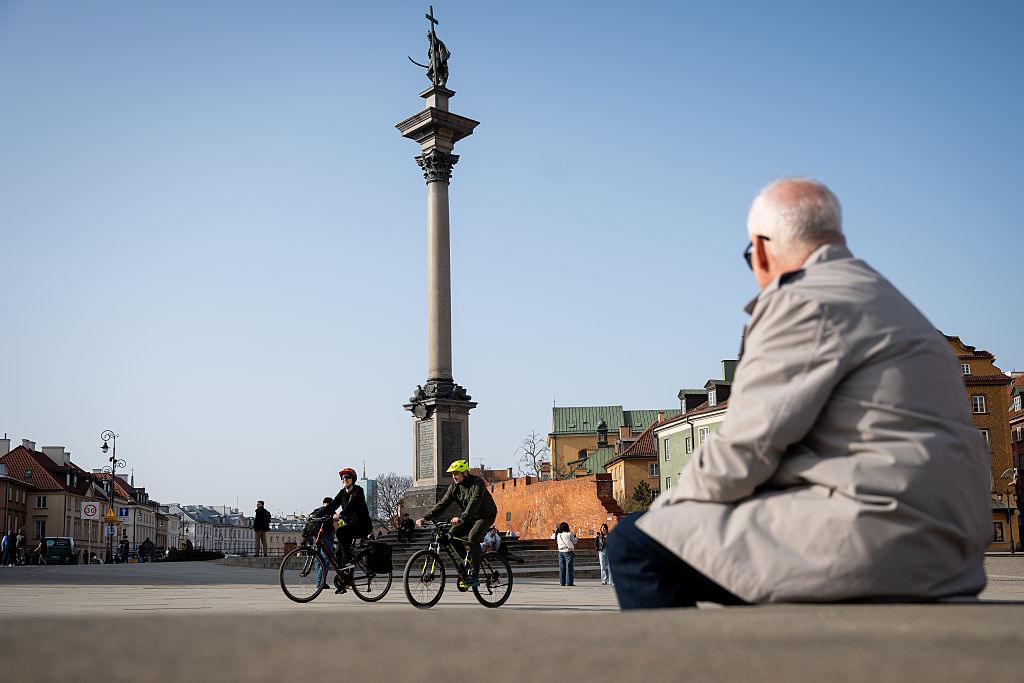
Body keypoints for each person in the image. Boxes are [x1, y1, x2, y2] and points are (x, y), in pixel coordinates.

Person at [610, 178, 991, 609]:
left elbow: (745, 448)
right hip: (952, 550)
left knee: (635, 543)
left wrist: (665, 510)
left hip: (879, 541)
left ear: (762, 247)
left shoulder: (803, 300)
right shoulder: (887, 299)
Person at [417, 460, 497, 588]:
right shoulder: (454, 487)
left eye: (456, 473)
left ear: (465, 473)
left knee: (473, 537)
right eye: (452, 474)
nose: (454, 476)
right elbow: (443, 503)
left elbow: (474, 502)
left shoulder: (477, 483)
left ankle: (475, 576)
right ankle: (467, 563)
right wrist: (426, 517)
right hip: (468, 518)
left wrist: (462, 518)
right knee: (451, 535)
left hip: (485, 516)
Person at [326, 468, 372, 588]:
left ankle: (348, 561)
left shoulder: (358, 491)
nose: (344, 479)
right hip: (350, 526)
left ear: (353, 479)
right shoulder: (342, 493)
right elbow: (332, 505)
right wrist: (316, 515)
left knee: (340, 531)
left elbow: (352, 505)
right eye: (342, 478)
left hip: (362, 525)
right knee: (337, 553)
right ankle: (346, 580)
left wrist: (341, 514)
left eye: (347, 477)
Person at [310, 496, 336, 589]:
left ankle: (319, 581)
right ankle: (321, 582)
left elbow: (311, 517)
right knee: (326, 560)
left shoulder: (316, 511)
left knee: (318, 560)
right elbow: (338, 524)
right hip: (327, 538)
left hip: (316, 538)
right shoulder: (331, 512)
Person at [556, 522, 577, 587]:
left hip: (561, 551)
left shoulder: (558, 535)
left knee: (562, 568)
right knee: (569, 568)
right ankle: (569, 582)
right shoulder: (569, 534)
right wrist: (576, 538)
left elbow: (557, 543)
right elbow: (574, 541)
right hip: (568, 551)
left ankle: (562, 582)